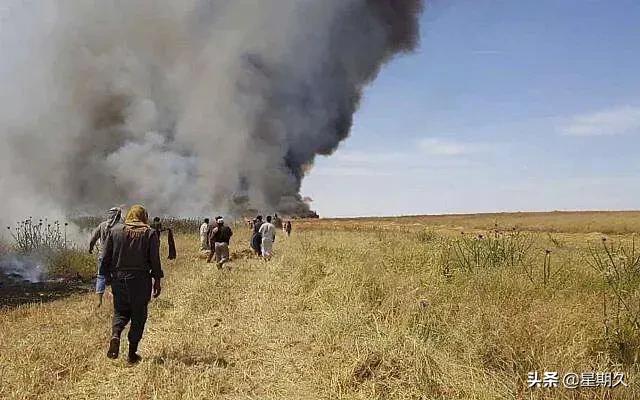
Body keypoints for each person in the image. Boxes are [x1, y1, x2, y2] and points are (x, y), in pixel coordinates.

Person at [100, 205, 163, 363]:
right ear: (143, 216)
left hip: (119, 279)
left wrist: (105, 277)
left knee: (120, 311)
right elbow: (155, 260)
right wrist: (157, 280)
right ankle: (132, 353)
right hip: (140, 280)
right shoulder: (149, 233)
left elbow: (105, 256)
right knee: (138, 315)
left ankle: (116, 334)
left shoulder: (115, 231)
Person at [89, 207, 122, 307]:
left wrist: (90, 248)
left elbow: (93, 238)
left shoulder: (102, 225)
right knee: (116, 277)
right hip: (115, 257)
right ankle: (116, 299)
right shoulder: (120, 227)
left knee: (101, 276)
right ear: (118, 216)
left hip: (103, 256)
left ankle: (99, 300)